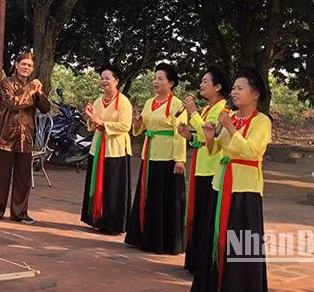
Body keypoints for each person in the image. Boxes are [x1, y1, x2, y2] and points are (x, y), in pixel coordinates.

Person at [191, 67, 270, 292]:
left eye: (240, 88)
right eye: (233, 88)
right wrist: (209, 137)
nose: (234, 92)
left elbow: (252, 151)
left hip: (245, 188)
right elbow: (217, 149)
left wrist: (231, 128)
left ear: (255, 94)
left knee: (242, 240)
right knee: (216, 234)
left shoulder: (262, 121)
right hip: (221, 182)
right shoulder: (232, 117)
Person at [125, 62, 187, 254]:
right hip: (149, 152)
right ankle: (143, 235)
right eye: (155, 78)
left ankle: (163, 241)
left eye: (161, 78)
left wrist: (179, 159)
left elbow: (180, 133)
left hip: (167, 155)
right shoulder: (150, 102)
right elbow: (140, 129)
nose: (156, 82)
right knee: (148, 195)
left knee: (163, 198)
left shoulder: (177, 105)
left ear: (171, 83)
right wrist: (137, 123)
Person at [0, 52, 51, 224]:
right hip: (8, 135)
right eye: (23, 64)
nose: (26, 68)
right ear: (16, 64)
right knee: (1, 175)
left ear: (33, 68)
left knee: (23, 177)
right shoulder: (6, 83)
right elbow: (12, 104)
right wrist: (30, 90)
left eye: (29, 65)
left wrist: (39, 94)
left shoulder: (33, 86)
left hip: (26, 136)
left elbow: (45, 108)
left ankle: (20, 213)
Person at [177, 67, 231, 274]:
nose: (201, 85)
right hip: (201, 167)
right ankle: (196, 261)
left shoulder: (221, 109)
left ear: (217, 87)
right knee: (198, 215)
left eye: (205, 81)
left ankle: (205, 262)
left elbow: (211, 135)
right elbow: (201, 137)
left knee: (207, 216)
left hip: (212, 168)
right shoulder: (209, 108)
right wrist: (188, 136)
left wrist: (193, 112)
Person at [80, 63, 132, 234]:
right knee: (96, 183)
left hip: (115, 149)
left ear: (116, 81)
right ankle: (97, 219)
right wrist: (90, 118)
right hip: (97, 147)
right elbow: (93, 125)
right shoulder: (97, 101)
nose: (104, 81)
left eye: (107, 78)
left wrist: (103, 123)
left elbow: (125, 126)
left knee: (113, 186)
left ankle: (113, 223)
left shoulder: (123, 102)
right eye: (102, 78)